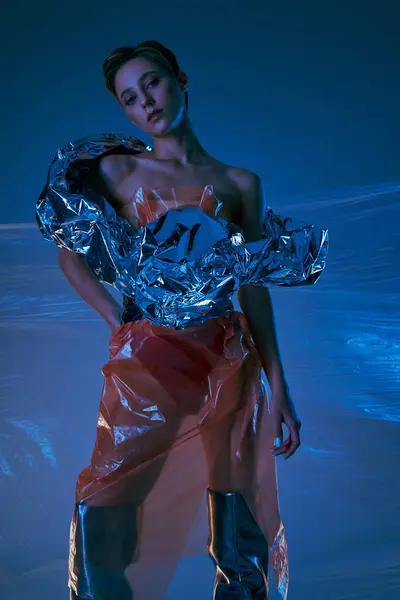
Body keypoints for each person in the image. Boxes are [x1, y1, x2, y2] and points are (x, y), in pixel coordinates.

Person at [36, 40, 328, 600]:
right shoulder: (118, 170)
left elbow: (254, 286)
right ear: (124, 112)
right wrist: (115, 318)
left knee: (239, 493)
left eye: (152, 83)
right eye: (129, 98)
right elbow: (70, 252)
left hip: (227, 356)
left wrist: (280, 386)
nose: (145, 102)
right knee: (110, 489)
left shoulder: (241, 184)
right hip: (149, 354)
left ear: (179, 79)